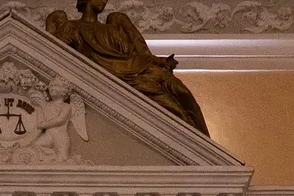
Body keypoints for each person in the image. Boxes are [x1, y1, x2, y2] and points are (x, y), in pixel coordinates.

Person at [45, 0, 207, 134]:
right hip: (113, 76)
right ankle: (192, 138)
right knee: (173, 108)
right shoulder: (71, 26)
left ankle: (203, 140)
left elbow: (137, 53)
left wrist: (160, 62)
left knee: (181, 90)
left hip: (136, 70)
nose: (104, 1)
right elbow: (55, 55)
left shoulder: (113, 26)